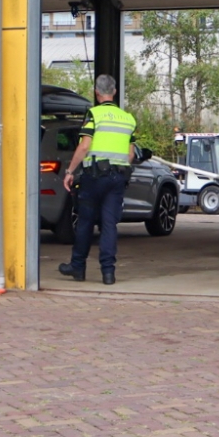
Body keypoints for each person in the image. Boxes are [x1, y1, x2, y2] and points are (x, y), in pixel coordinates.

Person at [59, 74, 136, 285]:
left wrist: (70, 171)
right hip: (117, 177)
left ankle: (78, 267)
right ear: (115, 92)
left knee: (85, 222)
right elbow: (130, 154)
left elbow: (84, 146)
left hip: (94, 177)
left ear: (96, 92)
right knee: (109, 224)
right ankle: (108, 273)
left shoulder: (94, 114)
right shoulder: (128, 119)